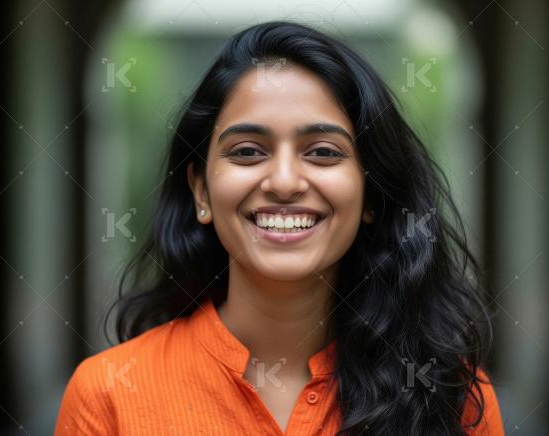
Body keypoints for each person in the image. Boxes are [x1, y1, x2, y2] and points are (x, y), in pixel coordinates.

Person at [55, 20, 504, 435]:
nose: (285, 182)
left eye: (323, 152)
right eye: (248, 151)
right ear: (201, 192)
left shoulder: (452, 396)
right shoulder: (108, 395)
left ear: (371, 194)